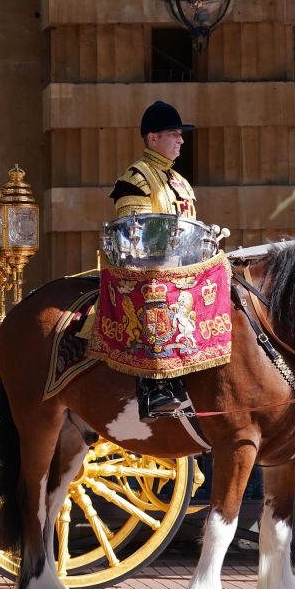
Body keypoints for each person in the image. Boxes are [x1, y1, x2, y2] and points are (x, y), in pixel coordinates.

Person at [109, 100, 197, 421]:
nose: (181, 140)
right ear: (152, 139)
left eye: (180, 135)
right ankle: (155, 389)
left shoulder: (180, 182)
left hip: (183, 267)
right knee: (157, 295)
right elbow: (136, 235)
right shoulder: (135, 178)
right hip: (145, 271)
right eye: (174, 134)